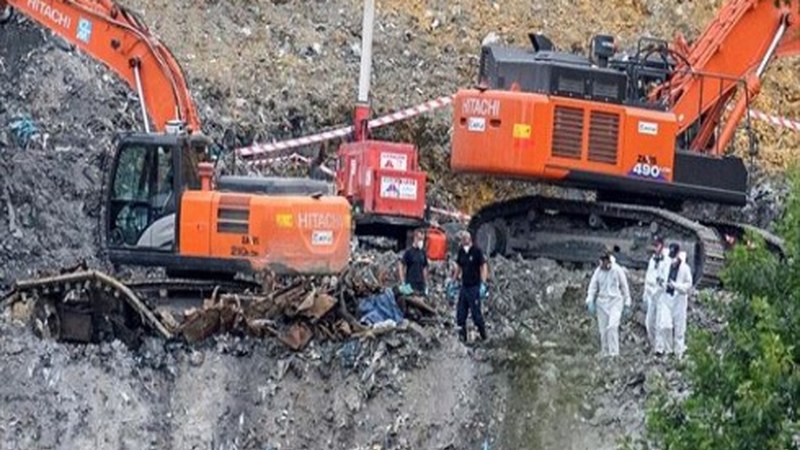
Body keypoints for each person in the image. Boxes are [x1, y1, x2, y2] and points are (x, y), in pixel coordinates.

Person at [586, 251, 632, 357]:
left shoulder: (617, 270)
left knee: (612, 327)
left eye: (604, 261)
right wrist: (590, 301)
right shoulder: (598, 272)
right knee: (603, 330)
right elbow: (592, 287)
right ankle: (605, 352)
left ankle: (614, 354)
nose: (602, 263)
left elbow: (624, 287)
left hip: (615, 302)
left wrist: (627, 303)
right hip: (602, 303)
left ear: (608, 260)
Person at [655, 243, 693, 357]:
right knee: (665, 325)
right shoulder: (666, 265)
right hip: (666, 298)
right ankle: (668, 350)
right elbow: (659, 277)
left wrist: (676, 286)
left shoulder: (685, 268)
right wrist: (662, 283)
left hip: (679, 300)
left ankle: (678, 353)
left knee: (679, 328)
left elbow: (688, 286)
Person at [452, 231, 489, 342]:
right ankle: (462, 339)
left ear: (470, 239)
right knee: (460, 315)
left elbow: (483, 266)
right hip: (464, 287)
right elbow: (459, 267)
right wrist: (453, 281)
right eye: (462, 239)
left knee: (476, 315)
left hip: (474, 287)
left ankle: (484, 337)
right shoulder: (461, 252)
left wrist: (483, 283)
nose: (464, 241)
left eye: (465, 239)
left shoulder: (477, 251)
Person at [643, 236, 669, 348]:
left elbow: (666, 279)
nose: (655, 248)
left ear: (662, 246)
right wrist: (645, 293)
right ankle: (653, 343)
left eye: (657, 245)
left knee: (659, 322)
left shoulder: (666, 261)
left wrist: (660, 284)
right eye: (654, 245)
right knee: (649, 322)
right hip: (651, 294)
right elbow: (648, 276)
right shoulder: (652, 260)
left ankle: (659, 347)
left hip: (661, 294)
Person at [398, 229, 429, 296]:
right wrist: (402, 282)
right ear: (415, 238)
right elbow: (401, 265)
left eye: (422, 240)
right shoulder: (409, 252)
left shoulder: (423, 253)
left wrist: (426, 283)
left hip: (420, 285)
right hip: (411, 284)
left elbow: (424, 267)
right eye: (420, 239)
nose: (421, 241)